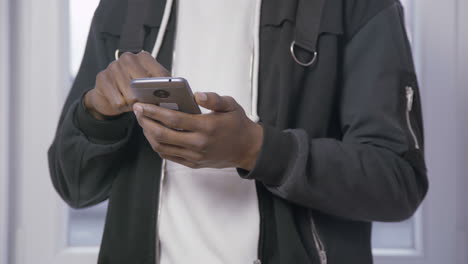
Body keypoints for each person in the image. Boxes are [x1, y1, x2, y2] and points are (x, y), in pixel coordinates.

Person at [48, 0, 428, 263]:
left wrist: (257, 150)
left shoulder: (358, 6)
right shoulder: (128, 7)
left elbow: (396, 180)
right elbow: (74, 185)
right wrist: (97, 112)